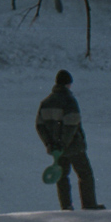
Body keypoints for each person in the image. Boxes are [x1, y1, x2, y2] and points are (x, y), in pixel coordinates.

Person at [36, 69, 105, 210]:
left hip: (57, 149)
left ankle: (66, 207)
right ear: (67, 84)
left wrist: (50, 143)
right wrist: (63, 143)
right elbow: (71, 125)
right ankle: (89, 205)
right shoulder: (69, 101)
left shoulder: (46, 102)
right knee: (85, 175)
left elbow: (40, 125)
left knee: (62, 177)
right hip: (74, 147)